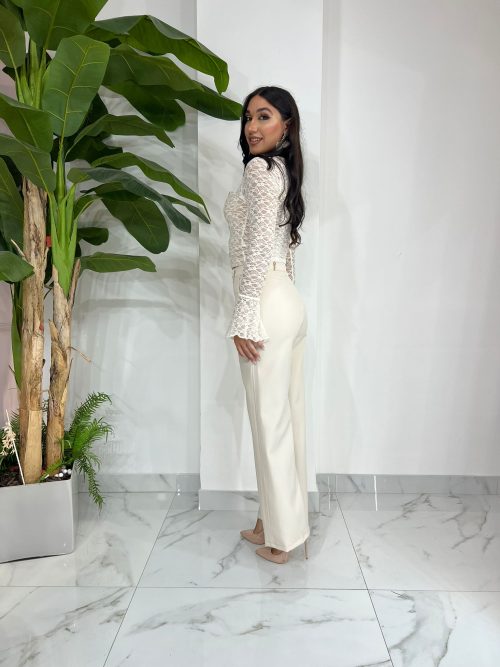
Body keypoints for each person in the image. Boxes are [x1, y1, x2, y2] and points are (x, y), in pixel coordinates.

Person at [225, 85, 309, 565]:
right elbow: (285, 249)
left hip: (265, 303)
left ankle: (283, 539)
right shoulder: (283, 171)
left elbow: (258, 248)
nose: (252, 127)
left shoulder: (260, 171)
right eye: (248, 117)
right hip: (286, 301)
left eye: (264, 116)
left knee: (269, 422)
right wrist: (283, 304)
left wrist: (246, 314)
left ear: (286, 124)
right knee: (282, 418)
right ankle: (272, 521)